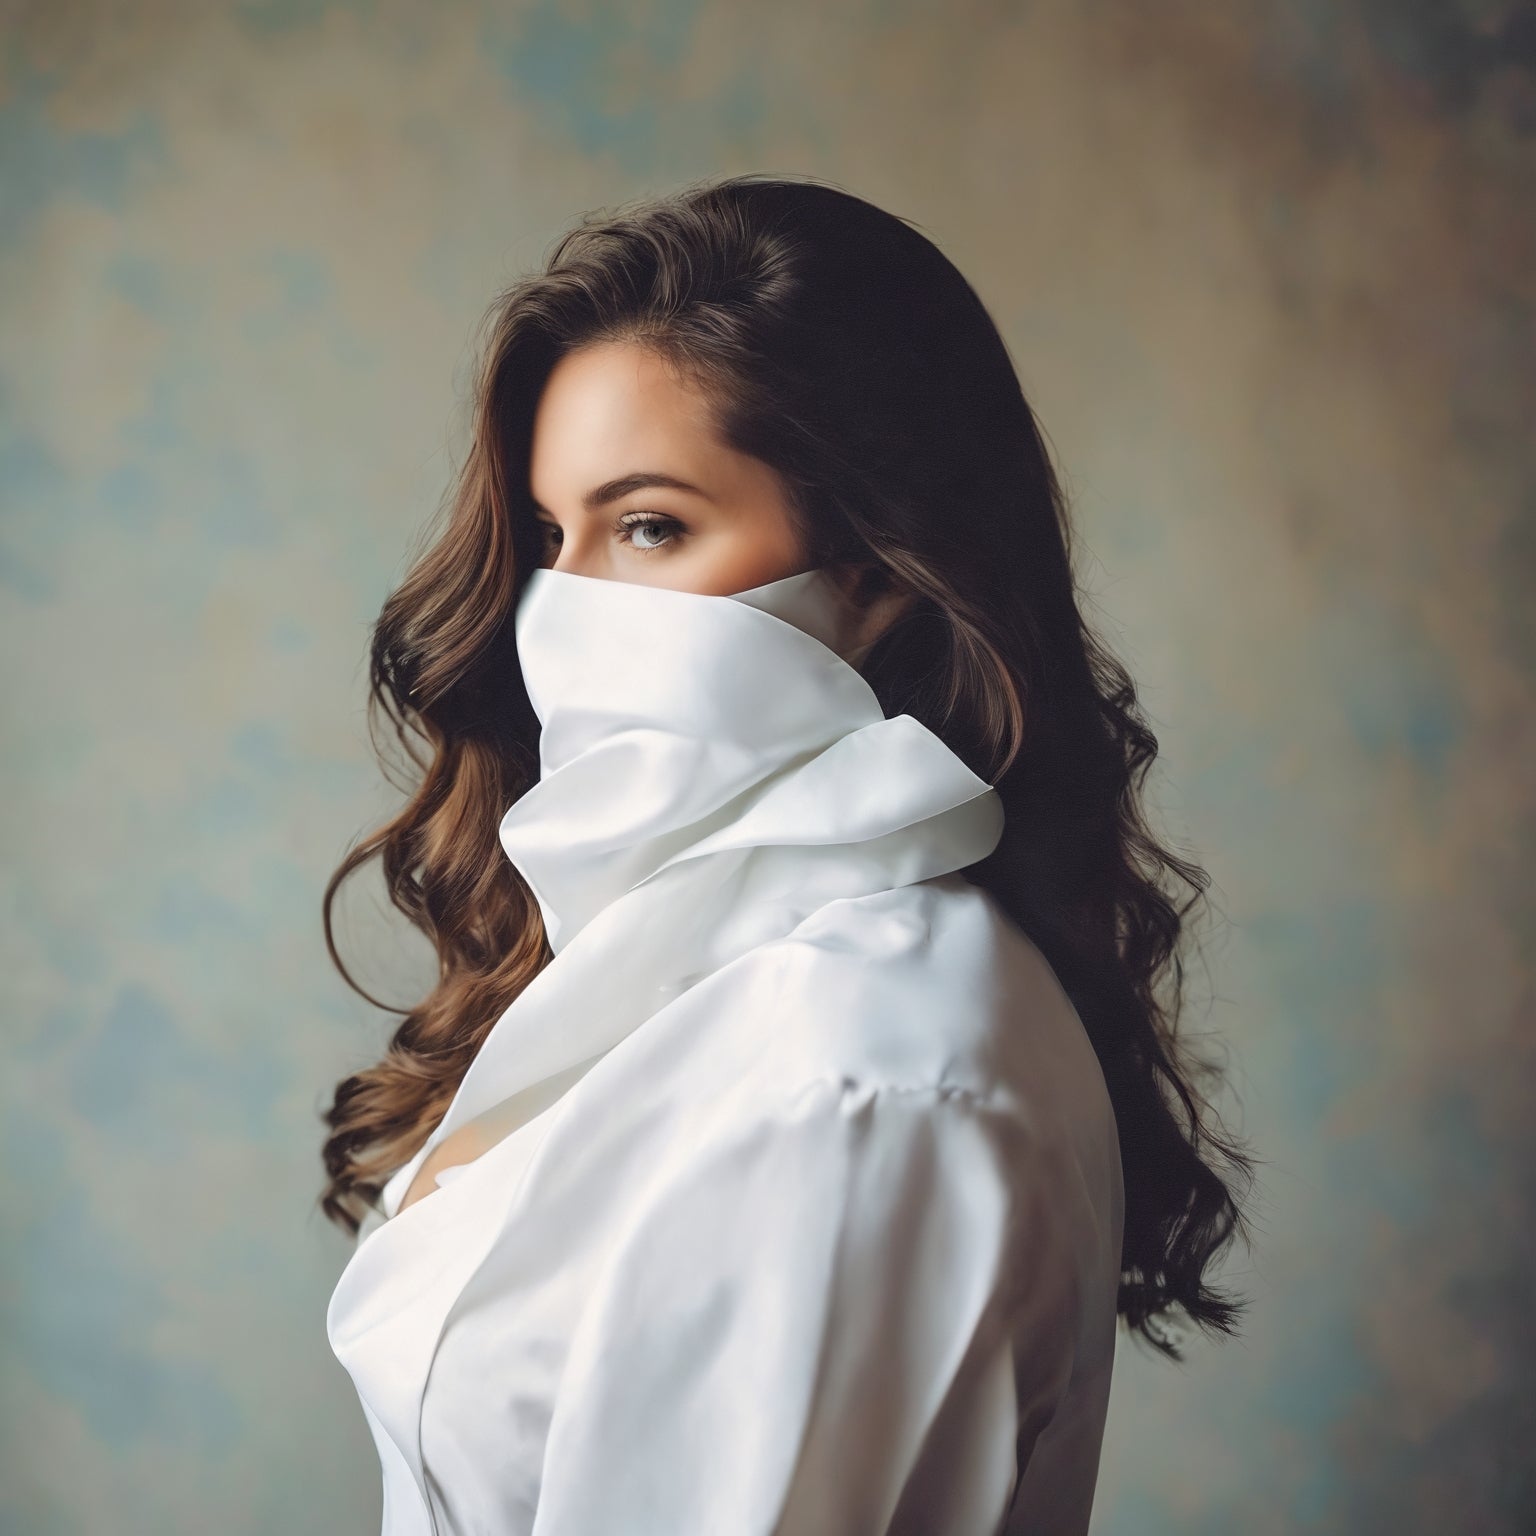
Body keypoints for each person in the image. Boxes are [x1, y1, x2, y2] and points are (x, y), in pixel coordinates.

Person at [319, 173, 1255, 1536]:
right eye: (546, 538)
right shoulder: (693, 972)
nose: (562, 614)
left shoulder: (858, 1075)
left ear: (878, 573)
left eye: (649, 527)